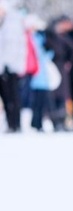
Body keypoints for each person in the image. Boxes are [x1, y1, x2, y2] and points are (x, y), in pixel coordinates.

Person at [0, 0, 27, 133]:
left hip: (12, 67)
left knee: (13, 96)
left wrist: (18, 65)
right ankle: (10, 123)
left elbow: (20, 48)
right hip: (1, 67)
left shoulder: (12, 25)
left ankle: (16, 124)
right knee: (5, 97)